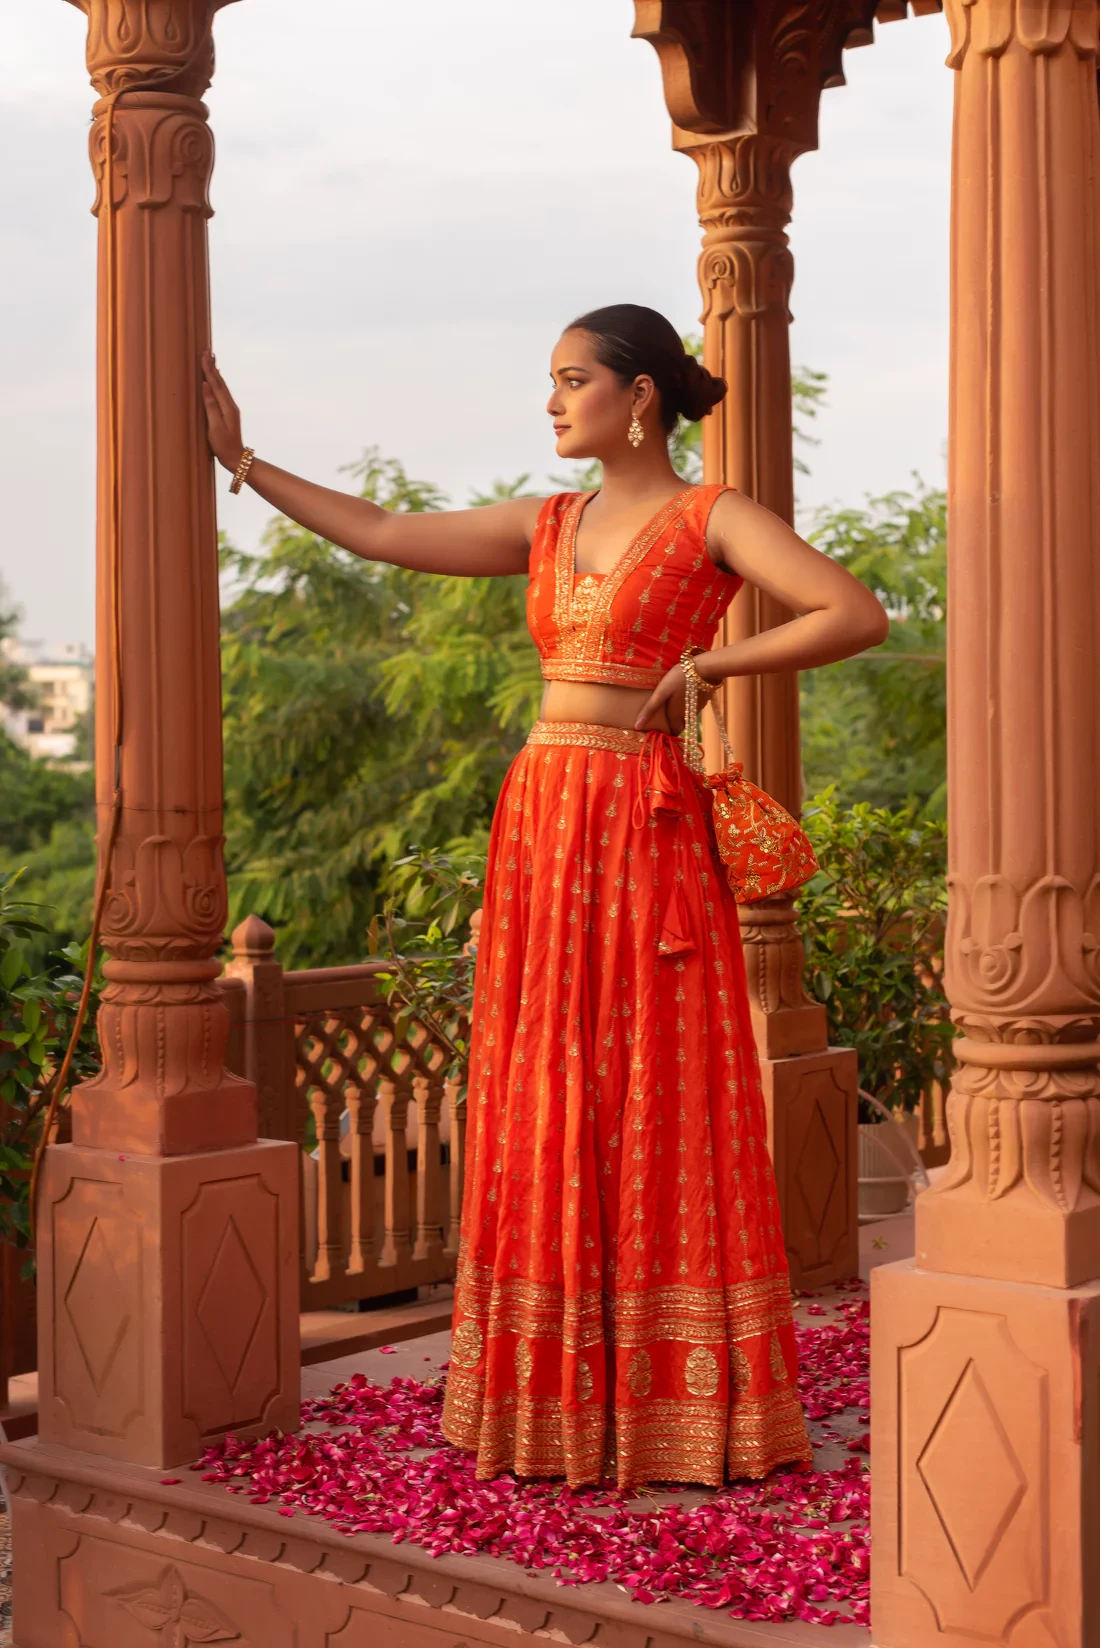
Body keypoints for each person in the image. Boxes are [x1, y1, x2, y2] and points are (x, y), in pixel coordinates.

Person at [202, 304, 887, 1490]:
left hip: (644, 824)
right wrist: (244, 463)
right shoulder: (546, 523)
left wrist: (713, 664)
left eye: (573, 380)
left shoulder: (709, 516)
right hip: (541, 822)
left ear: (640, 399)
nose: (553, 401)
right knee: (544, 1084)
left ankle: (672, 1398)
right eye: (550, 382)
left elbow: (853, 612)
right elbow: (379, 529)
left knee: (653, 1086)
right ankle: (552, 1388)